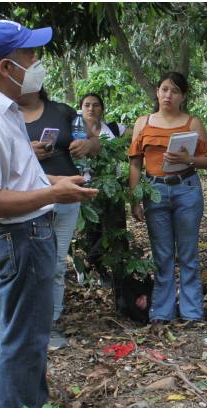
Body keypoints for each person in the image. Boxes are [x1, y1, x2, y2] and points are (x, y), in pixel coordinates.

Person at [0, 20, 98, 408]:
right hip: (18, 237)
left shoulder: (3, 106)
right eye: (30, 55)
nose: (37, 63)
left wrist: (58, 184)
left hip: (28, 233)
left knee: (31, 336)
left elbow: (18, 176)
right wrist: (50, 193)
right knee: (21, 339)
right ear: (6, 65)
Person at [0, 87, 102, 351]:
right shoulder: (5, 115)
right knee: (15, 263)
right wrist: (26, 152)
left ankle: (50, 322)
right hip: (26, 198)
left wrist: (87, 145)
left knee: (55, 264)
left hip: (66, 195)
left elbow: (95, 143)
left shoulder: (62, 112)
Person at [128, 72, 207, 325]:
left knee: (188, 253)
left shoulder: (192, 123)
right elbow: (135, 164)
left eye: (175, 90)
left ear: (183, 96)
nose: (168, 95)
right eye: (164, 89)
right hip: (155, 190)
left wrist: (189, 159)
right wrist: (135, 199)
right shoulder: (143, 122)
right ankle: (162, 311)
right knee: (162, 253)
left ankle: (191, 311)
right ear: (157, 92)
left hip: (186, 189)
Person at [78, 92, 130, 288]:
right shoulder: (74, 131)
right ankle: (99, 271)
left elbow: (139, 132)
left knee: (116, 229)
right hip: (87, 187)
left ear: (102, 108)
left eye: (96, 105)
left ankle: (98, 265)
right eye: (87, 105)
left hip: (113, 186)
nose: (91, 109)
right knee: (94, 232)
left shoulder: (114, 129)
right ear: (81, 108)